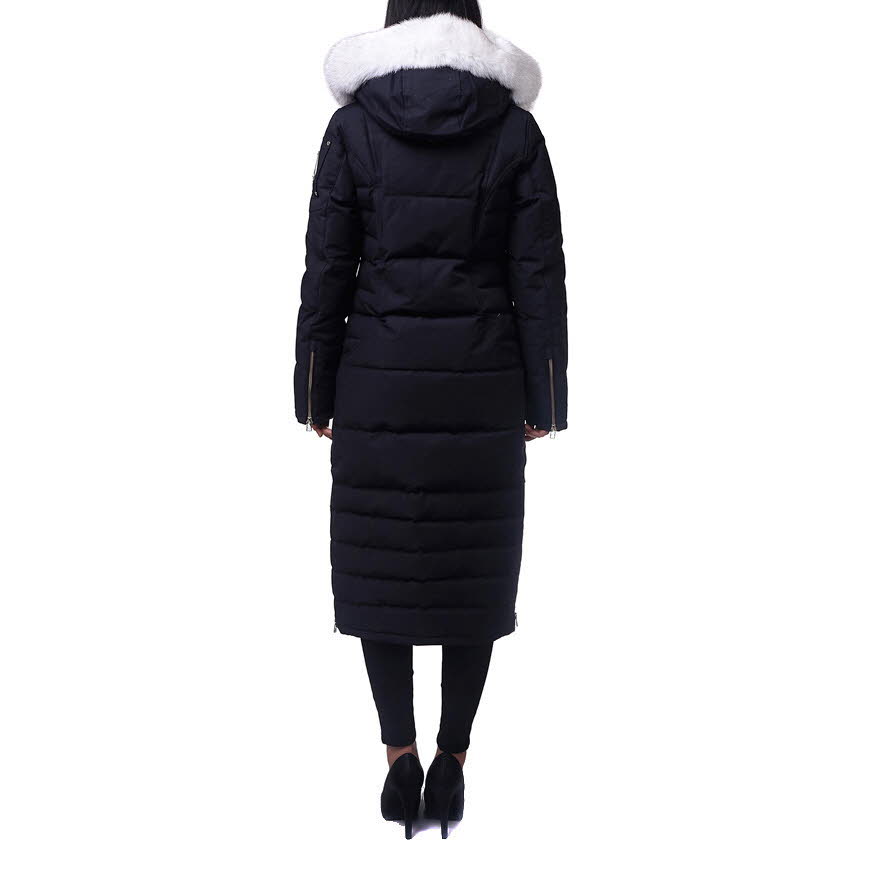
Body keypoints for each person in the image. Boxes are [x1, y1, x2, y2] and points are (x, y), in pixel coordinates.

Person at [293, 0, 567, 838]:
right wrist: (544, 397)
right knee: (470, 568)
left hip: (376, 383)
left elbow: (327, 266)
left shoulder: (353, 129)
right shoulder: (513, 131)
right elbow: (538, 275)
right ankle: (453, 759)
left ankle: (398, 756)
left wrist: (315, 390)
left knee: (382, 565)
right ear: (475, 25)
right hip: (482, 385)